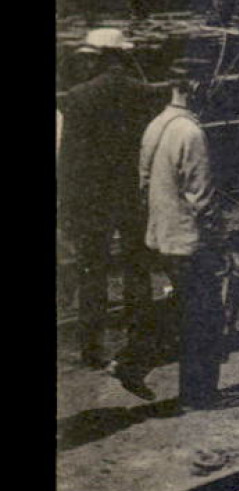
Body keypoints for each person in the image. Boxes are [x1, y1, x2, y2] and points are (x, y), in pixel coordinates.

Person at [57, 28, 167, 373]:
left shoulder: (78, 97)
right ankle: (140, 344)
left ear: (100, 58)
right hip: (133, 194)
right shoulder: (145, 94)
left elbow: (71, 159)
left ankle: (92, 350)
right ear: (122, 57)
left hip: (93, 199)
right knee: (137, 269)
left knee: (93, 273)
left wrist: (67, 203)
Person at [136, 64, 236, 410]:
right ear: (193, 86)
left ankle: (131, 360)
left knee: (183, 307)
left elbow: (144, 181)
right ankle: (200, 394)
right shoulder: (191, 134)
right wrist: (219, 243)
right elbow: (202, 197)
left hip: (161, 235)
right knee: (205, 318)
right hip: (189, 240)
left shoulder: (156, 125)